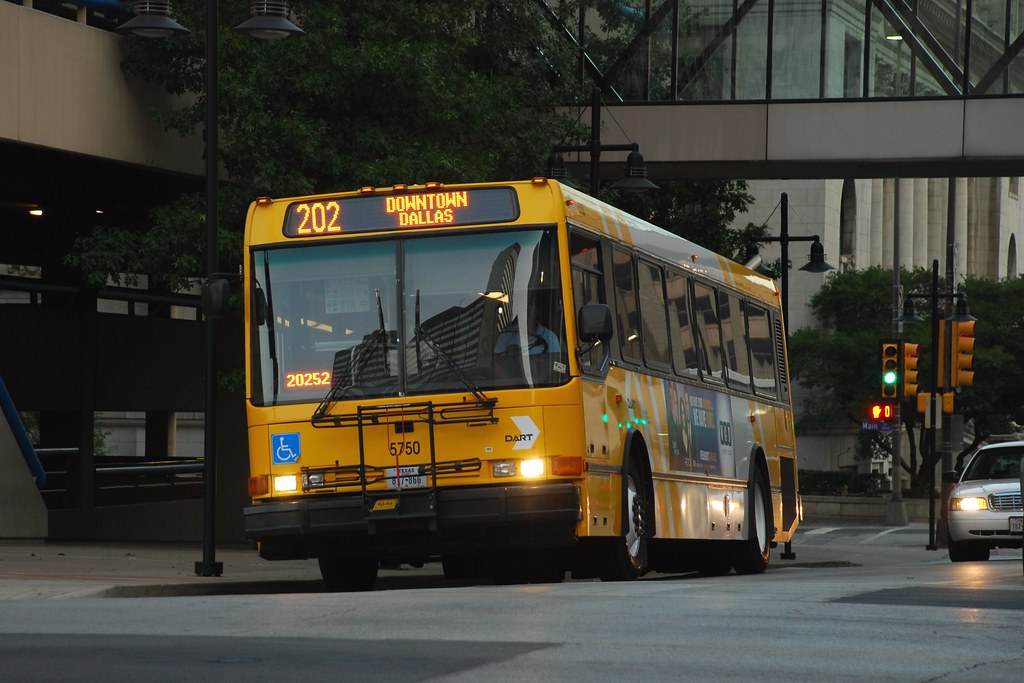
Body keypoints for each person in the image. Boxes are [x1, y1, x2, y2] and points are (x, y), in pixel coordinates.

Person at [494, 305, 560, 355]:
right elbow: (496, 362)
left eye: (529, 309)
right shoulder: (506, 335)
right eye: (522, 309)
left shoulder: (550, 337)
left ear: (537, 312)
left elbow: (554, 367)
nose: (525, 313)